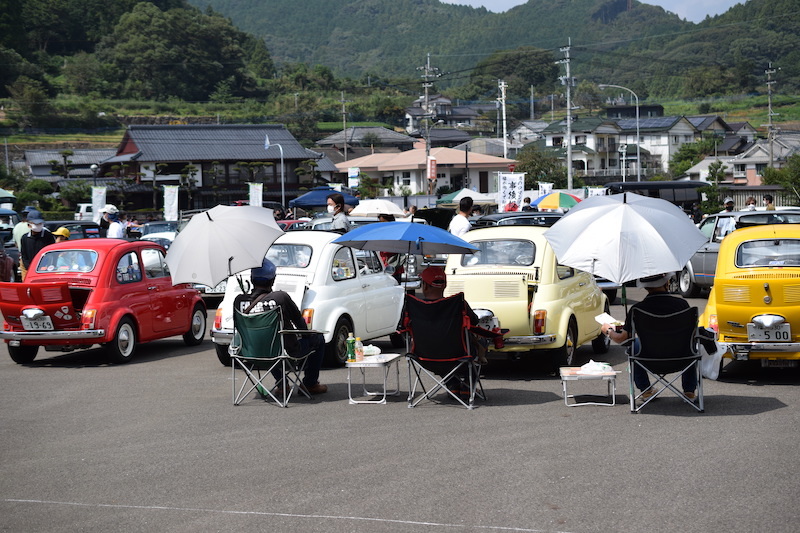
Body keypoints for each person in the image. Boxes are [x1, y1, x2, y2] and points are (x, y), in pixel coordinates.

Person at [233, 258, 327, 396]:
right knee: (318, 338)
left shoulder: (239, 300)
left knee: (267, 342)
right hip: (284, 353)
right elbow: (299, 322)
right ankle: (310, 384)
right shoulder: (280, 297)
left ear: (252, 279)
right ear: (273, 279)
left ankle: (282, 385)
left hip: (251, 353)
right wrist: (307, 336)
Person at [601, 273, 697, 402]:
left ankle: (646, 390)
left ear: (645, 287)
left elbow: (621, 339)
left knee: (633, 345)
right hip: (682, 358)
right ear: (666, 283)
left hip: (649, 359)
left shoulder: (637, 310)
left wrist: (608, 331)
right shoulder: (682, 305)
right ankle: (689, 391)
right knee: (689, 344)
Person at [19, 209, 55, 280]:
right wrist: (29, 268)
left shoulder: (48, 236)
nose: (38, 226)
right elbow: (24, 255)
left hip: (45, 269)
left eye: (40, 224)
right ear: (29, 224)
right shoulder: (25, 238)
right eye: (35, 224)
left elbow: (52, 254)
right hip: (29, 269)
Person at [377, 213, 404, 284]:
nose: (381, 224)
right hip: (385, 265)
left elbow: (389, 249)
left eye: (383, 222)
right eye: (380, 222)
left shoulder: (395, 233)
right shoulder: (384, 232)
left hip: (393, 266)